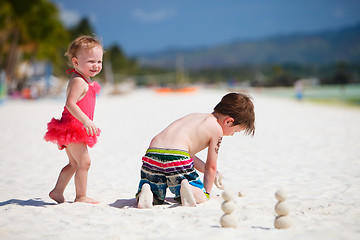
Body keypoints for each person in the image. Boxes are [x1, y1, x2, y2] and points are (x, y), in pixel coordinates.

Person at [136, 92, 255, 208]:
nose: (233, 134)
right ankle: (191, 189)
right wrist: (206, 193)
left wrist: (216, 174)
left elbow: (185, 154)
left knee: (155, 190)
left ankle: (148, 191)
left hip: (152, 154)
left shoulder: (194, 116)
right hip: (177, 156)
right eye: (235, 131)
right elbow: (210, 166)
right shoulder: (217, 129)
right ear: (229, 121)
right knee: (198, 193)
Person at [44, 35, 103, 204]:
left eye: (99, 62)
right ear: (76, 62)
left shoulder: (85, 79)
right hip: (72, 129)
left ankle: (57, 192)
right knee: (85, 162)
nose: (96, 65)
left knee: (74, 164)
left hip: (72, 128)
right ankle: (81, 196)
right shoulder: (78, 81)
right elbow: (70, 104)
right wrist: (86, 121)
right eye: (91, 61)